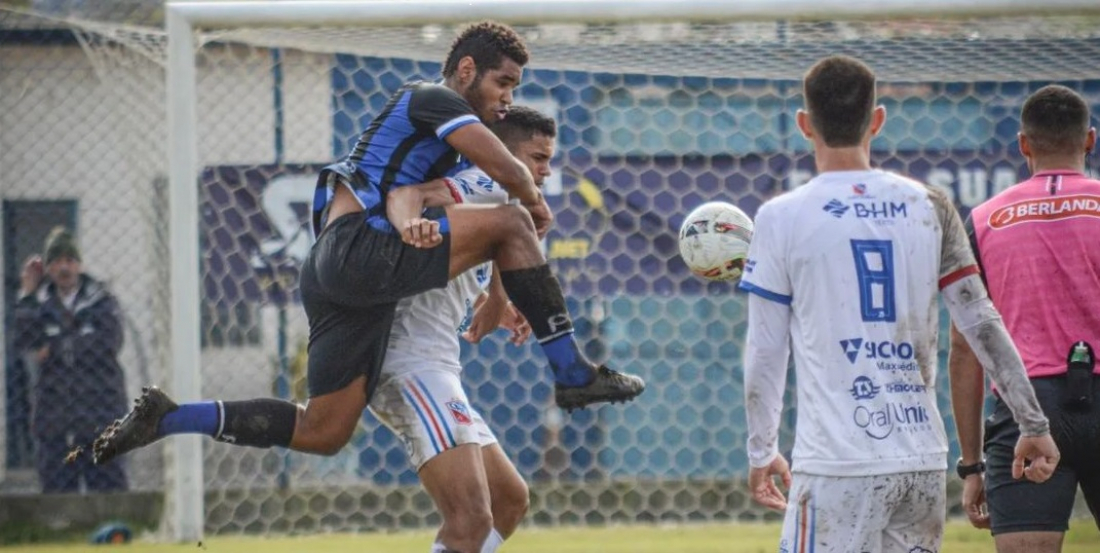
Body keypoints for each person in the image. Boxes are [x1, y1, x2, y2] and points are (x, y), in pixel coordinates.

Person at [92, 21, 643, 470]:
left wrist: (452, 247)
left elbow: (412, 193)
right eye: (504, 83)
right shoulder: (431, 99)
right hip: (359, 251)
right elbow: (499, 171)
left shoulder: (440, 147)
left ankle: (168, 417)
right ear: (467, 70)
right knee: (511, 221)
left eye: (515, 89)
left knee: (323, 431)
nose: (507, 98)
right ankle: (572, 375)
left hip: (337, 274)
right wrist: (530, 202)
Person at [738, 54, 1059, 553]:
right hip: (919, 460)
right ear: (878, 120)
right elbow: (982, 322)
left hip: (837, 464)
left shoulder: (781, 216)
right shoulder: (930, 205)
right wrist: (1033, 422)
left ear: (804, 125)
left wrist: (761, 450)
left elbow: (765, 349)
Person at [370, 105, 553, 553]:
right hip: (410, 364)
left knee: (509, 500)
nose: (545, 170)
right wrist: (409, 221)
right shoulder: (486, 182)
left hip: (438, 367)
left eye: (549, 159)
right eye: (536, 157)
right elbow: (408, 193)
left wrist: (495, 300)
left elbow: (461, 266)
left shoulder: (503, 204)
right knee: (471, 519)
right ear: (504, 155)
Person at [950, 84, 1100, 552]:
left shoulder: (982, 220)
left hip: (1026, 409)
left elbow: (964, 349)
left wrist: (972, 466)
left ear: (1023, 144)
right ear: (1090, 140)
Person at [13, 227, 128, 493]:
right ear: (48, 267)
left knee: (109, 487)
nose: (64, 267)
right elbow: (24, 339)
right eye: (56, 261)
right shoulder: (37, 302)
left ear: (78, 264)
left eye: (69, 260)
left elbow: (109, 343)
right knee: (57, 490)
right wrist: (27, 293)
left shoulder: (102, 299)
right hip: (55, 413)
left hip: (101, 408)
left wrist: (54, 346)